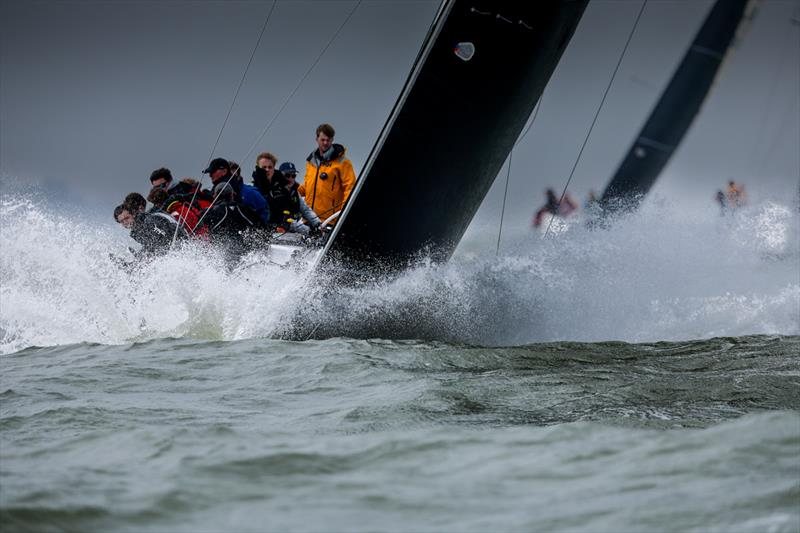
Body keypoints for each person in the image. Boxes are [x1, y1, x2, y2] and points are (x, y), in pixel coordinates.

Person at [298, 123, 357, 225]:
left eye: (328, 140)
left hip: (329, 220)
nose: (325, 143)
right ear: (317, 139)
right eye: (322, 140)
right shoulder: (310, 162)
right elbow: (308, 185)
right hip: (308, 219)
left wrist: (344, 212)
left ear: (332, 140)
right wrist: (292, 190)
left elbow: (350, 188)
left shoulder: (342, 162)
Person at [202, 182, 266, 261]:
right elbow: (261, 225)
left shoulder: (211, 212)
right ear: (232, 194)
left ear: (215, 196)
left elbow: (201, 223)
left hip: (220, 255)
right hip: (244, 253)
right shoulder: (244, 209)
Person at [114, 194, 185, 260]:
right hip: (170, 256)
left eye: (126, 218)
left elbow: (166, 239)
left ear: (133, 214)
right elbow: (150, 246)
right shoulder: (136, 232)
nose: (125, 223)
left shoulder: (150, 220)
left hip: (182, 250)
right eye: (122, 221)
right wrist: (139, 256)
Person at [203, 157, 270, 226]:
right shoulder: (214, 190)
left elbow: (264, 211)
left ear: (224, 171)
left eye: (212, 172)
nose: (210, 175)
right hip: (226, 231)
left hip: (242, 232)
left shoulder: (249, 192)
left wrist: (259, 230)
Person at [268, 162, 322, 236]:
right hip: (275, 233)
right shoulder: (276, 193)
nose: (291, 178)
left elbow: (305, 210)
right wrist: (309, 231)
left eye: (293, 175)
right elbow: (284, 219)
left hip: (292, 231)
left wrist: (318, 224)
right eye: (287, 175)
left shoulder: (294, 192)